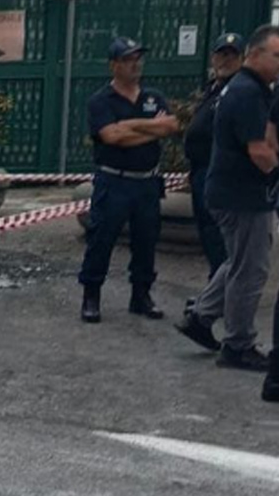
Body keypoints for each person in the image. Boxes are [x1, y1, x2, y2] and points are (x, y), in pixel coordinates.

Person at [175, 24, 279, 371]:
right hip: (242, 195)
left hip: (235, 191)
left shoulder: (255, 89)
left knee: (237, 262)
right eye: (276, 55)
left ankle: (201, 317)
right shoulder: (248, 92)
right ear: (254, 54)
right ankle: (238, 344)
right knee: (251, 269)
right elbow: (260, 150)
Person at [79, 37, 180, 323]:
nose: (135, 64)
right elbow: (112, 137)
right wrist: (152, 129)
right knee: (102, 238)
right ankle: (91, 295)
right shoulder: (101, 100)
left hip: (147, 181)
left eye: (138, 58)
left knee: (146, 240)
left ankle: (141, 295)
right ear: (114, 65)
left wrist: (131, 125)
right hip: (114, 181)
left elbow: (171, 125)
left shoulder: (153, 97)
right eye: (128, 59)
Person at [183, 32, 243, 278]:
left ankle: (221, 293)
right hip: (201, 172)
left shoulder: (239, 90)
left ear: (242, 59)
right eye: (221, 54)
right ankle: (215, 288)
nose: (225, 60)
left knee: (221, 238)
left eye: (231, 55)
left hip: (222, 175)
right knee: (208, 233)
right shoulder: (214, 88)